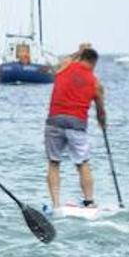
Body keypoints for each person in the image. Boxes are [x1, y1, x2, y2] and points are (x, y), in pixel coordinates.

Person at [45, 45, 107, 213]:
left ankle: (56, 204)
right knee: (82, 163)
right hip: (77, 124)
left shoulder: (66, 65)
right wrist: (103, 123)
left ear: (80, 57)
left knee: (54, 162)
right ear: (94, 63)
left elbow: (54, 65)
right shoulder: (95, 82)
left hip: (54, 120)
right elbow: (100, 110)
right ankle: (89, 202)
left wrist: (77, 53)